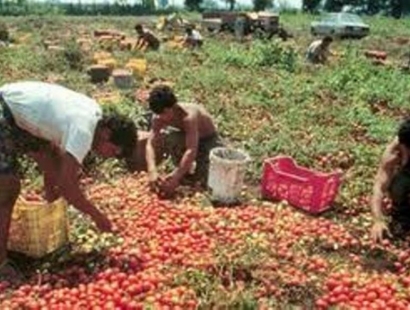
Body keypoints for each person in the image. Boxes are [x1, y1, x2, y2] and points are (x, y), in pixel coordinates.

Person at [0, 81, 136, 279]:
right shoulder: (83, 131)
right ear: (106, 134)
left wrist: (52, 201)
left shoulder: (94, 114)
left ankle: (48, 221)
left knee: (52, 161)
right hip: (5, 112)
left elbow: (55, 165)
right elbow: (67, 186)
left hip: (20, 113)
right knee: (7, 189)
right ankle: (1, 264)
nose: (108, 156)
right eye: (113, 151)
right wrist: (98, 217)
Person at [145, 85, 224, 196]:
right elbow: (150, 144)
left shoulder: (189, 116)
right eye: (159, 114)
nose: (162, 118)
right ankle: (183, 172)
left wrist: (176, 176)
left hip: (208, 139)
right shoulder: (158, 117)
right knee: (171, 137)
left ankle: (184, 172)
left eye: (165, 113)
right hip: (187, 137)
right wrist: (152, 169)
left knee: (208, 179)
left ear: (173, 107)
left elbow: (191, 149)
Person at [371, 119, 410, 242]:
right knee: (400, 184)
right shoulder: (394, 151)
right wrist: (377, 219)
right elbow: (379, 186)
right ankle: (401, 213)